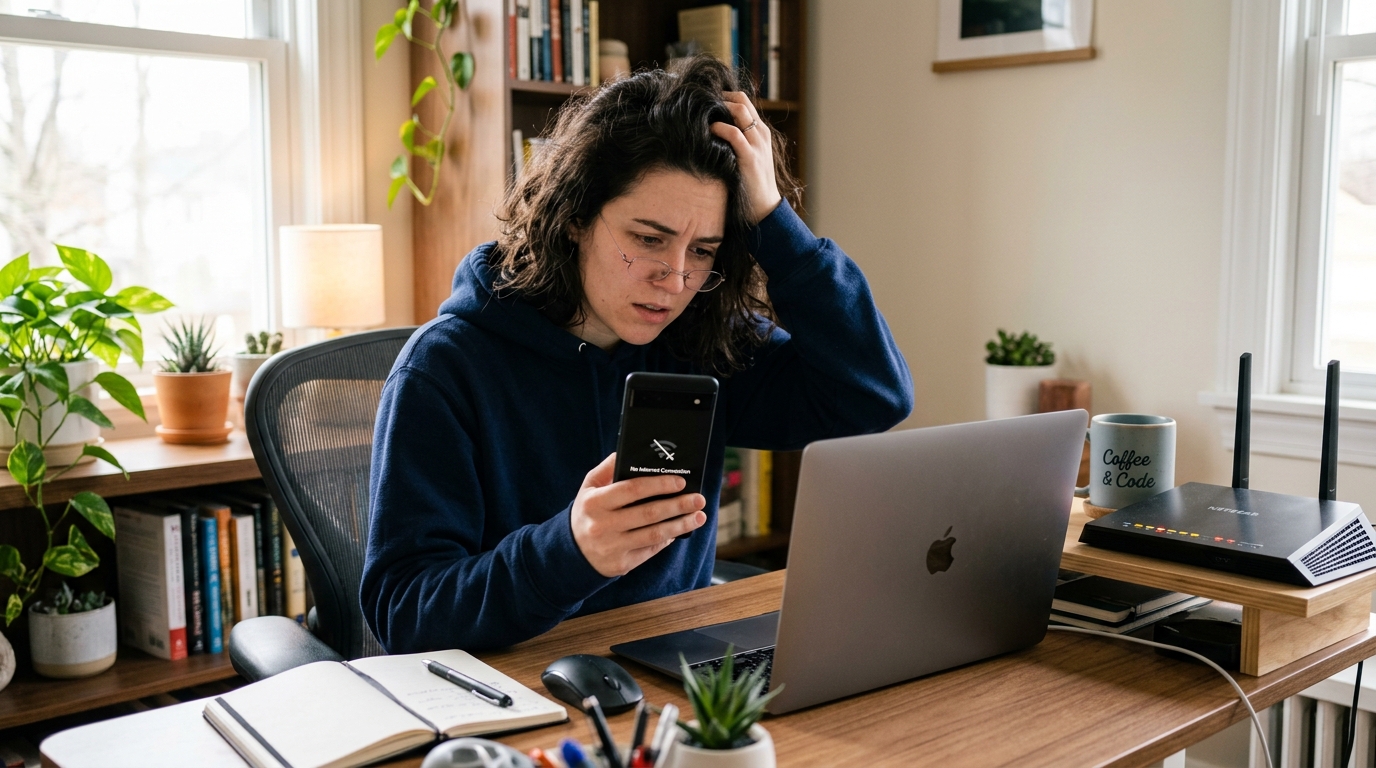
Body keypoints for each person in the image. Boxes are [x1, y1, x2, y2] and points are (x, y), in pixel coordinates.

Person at [362, 56, 913, 654]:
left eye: (702, 250)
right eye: (648, 239)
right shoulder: (444, 369)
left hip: (677, 671)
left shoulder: (699, 340)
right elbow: (404, 613)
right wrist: (570, 551)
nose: (674, 279)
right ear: (574, 218)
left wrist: (774, 221)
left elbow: (872, 397)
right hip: (517, 684)